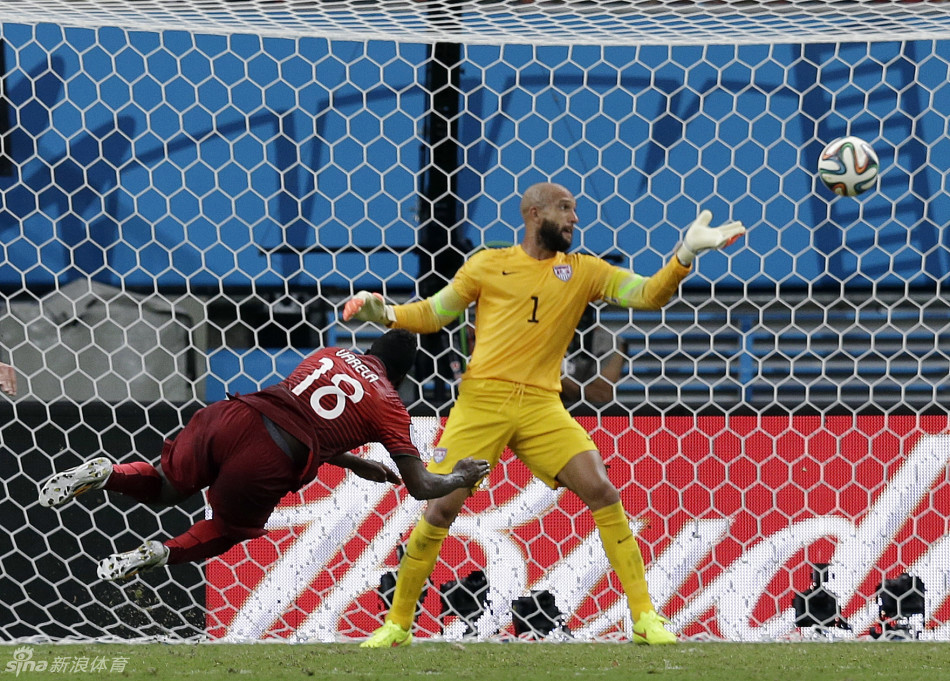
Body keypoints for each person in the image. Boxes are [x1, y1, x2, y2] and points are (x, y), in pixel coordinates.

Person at [343, 182, 746, 646]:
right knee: (440, 507)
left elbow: (647, 295)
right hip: (483, 401)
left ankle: (644, 618)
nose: (575, 219)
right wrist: (385, 312)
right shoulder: (487, 266)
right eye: (566, 209)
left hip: (541, 405)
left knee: (601, 488)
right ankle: (397, 625)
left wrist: (684, 255)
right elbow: (435, 313)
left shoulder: (585, 271)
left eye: (575, 210)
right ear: (533, 214)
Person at [38, 329, 490, 581]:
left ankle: (105, 474)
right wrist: (462, 476)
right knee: (228, 527)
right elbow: (420, 486)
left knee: (163, 483)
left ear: (369, 350)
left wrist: (352, 461)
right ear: (401, 376)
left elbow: (302, 413)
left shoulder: (331, 353)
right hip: (269, 457)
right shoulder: (390, 404)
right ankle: (156, 553)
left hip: (233, 414)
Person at [560, 306, 627, 407]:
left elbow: (601, 397)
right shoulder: (538, 338)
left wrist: (553, 374)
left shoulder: (609, 343)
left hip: (585, 418)